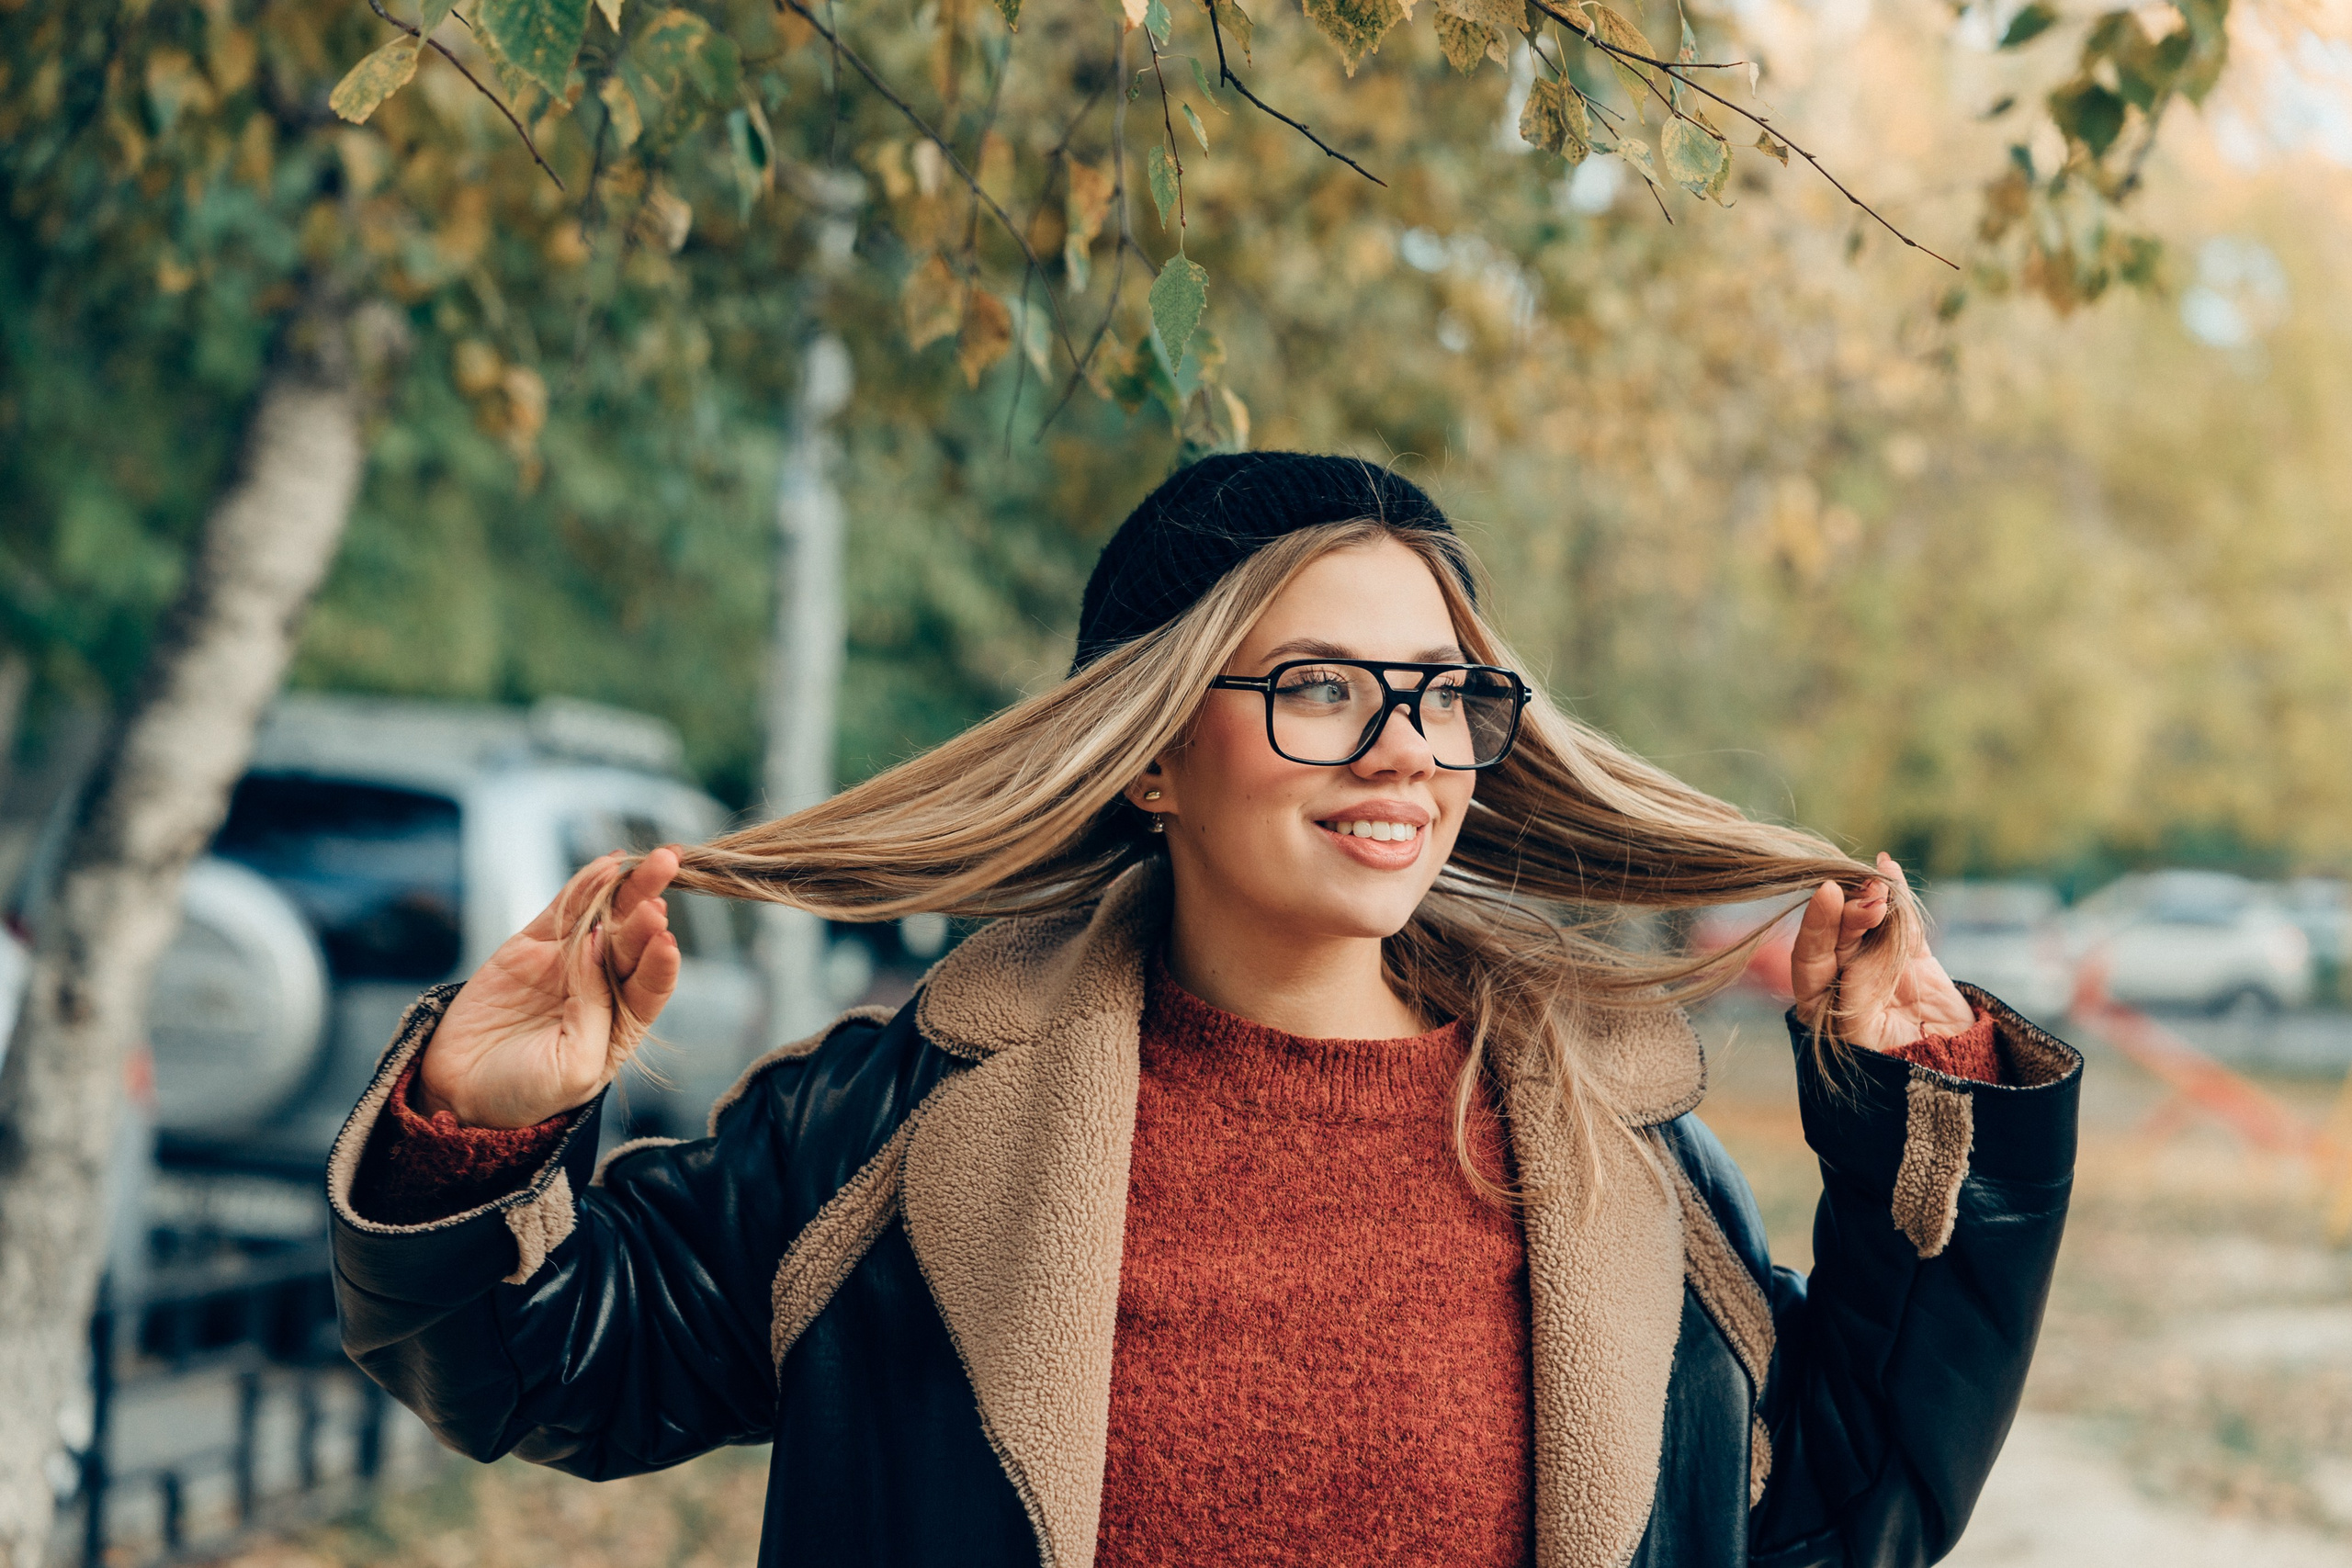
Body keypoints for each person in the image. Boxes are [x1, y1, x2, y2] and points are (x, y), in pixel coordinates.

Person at [329, 453, 2081, 1568]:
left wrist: (1919, 1102)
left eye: (1444, 696)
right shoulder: (899, 1126)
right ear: (1151, 753)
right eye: (1321, 687)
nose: (1404, 751)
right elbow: (545, 1370)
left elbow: (1844, 1509)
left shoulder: (1622, 1151)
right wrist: (478, 1127)